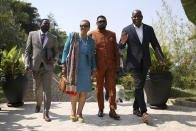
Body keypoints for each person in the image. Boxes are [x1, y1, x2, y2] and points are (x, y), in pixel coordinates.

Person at [119, 10, 164, 121]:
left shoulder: (149, 29)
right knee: (139, 85)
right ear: (131, 18)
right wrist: (122, 41)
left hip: (146, 62)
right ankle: (144, 112)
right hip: (133, 63)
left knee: (140, 86)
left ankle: (135, 108)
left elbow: (155, 44)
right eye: (134, 16)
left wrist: (160, 57)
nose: (136, 18)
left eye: (138, 16)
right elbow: (121, 46)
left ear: (142, 17)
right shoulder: (126, 30)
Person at [61, 20, 96, 123]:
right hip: (73, 68)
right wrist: (63, 64)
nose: (83, 28)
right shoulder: (73, 36)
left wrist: (94, 68)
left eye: (85, 26)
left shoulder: (91, 41)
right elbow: (65, 50)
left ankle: (80, 113)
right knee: (74, 91)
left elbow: (93, 56)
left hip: (86, 68)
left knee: (84, 92)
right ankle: (73, 111)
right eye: (81, 26)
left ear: (89, 28)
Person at [24, 19, 59, 122]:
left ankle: (46, 112)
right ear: (40, 25)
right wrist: (26, 63)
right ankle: (38, 104)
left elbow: (56, 52)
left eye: (48, 24)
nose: (47, 25)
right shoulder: (32, 34)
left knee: (47, 90)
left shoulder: (53, 38)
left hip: (47, 67)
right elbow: (27, 50)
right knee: (37, 89)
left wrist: (55, 59)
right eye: (45, 23)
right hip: (35, 66)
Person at [88, 15, 120, 120]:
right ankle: (100, 108)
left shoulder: (112, 34)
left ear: (106, 23)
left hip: (111, 66)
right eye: (99, 21)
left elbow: (116, 51)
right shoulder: (91, 34)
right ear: (97, 23)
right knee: (99, 88)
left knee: (112, 88)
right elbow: (88, 51)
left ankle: (112, 109)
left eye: (103, 21)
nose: (101, 23)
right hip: (98, 66)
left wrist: (118, 65)